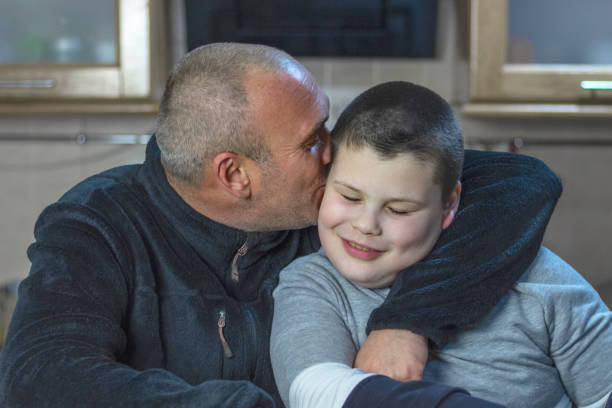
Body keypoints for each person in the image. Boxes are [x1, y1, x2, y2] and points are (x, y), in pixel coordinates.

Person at [0, 43, 562, 408]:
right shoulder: (99, 221)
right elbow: (40, 376)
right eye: (312, 138)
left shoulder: (333, 197)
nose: (333, 151)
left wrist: (408, 322)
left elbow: (521, 182)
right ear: (235, 175)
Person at [271, 81, 612, 408]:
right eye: (348, 196)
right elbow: (315, 392)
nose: (365, 225)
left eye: (399, 209)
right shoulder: (311, 285)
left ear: (449, 205)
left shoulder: (540, 285)